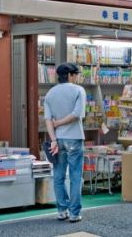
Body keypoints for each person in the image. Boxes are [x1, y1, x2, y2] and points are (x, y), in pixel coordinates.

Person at [44, 62, 86, 223]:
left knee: (59, 176)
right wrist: (60, 122)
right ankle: (74, 213)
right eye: (75, 75)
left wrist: (53, 139)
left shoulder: (50, 94)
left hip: (58, 140)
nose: (76, 78)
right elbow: (77, 114)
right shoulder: (78, 90)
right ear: (70, 75)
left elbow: (48, 120)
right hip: (75, 137)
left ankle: (62, 210)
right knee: (75, 176)